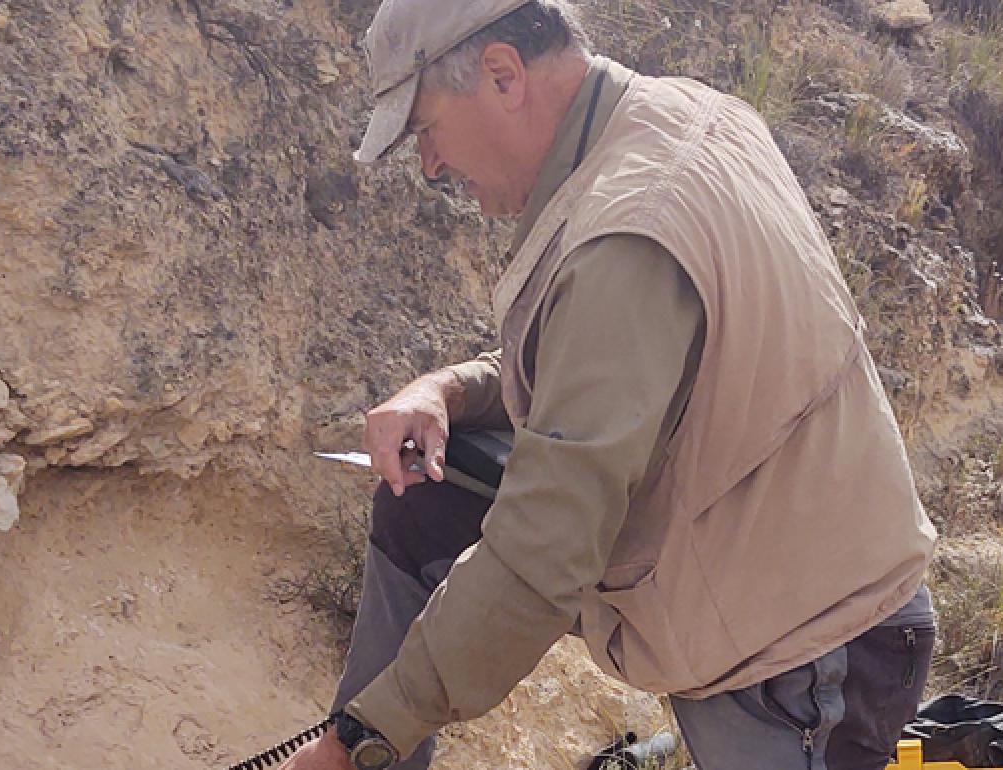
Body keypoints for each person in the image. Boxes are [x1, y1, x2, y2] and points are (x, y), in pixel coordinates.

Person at [280, 2, 938, 769]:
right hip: (750, 585)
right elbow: (604, 369)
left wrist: (363, 739)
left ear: (502, 74)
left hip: (806, 656)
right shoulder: (675, 115)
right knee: (424, 499)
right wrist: (448, 392)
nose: (429, 165)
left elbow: (543, 554)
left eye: (425, 129)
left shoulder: (629, 227)